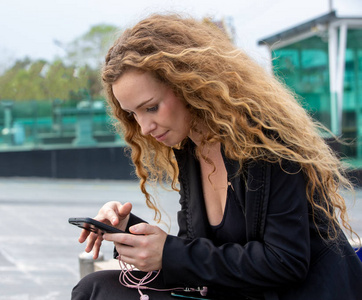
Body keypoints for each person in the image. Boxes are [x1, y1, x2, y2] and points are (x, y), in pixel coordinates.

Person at [71, 14, 362, 300]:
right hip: (232, 292)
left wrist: (169, 252)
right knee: (94, 288)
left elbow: (285, 262)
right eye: (132, 114)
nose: (144, 128)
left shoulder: (267, 142)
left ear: (189, 85)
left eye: (151, 107)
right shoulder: (190, 150)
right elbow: (196, 252)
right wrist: (129, 232)